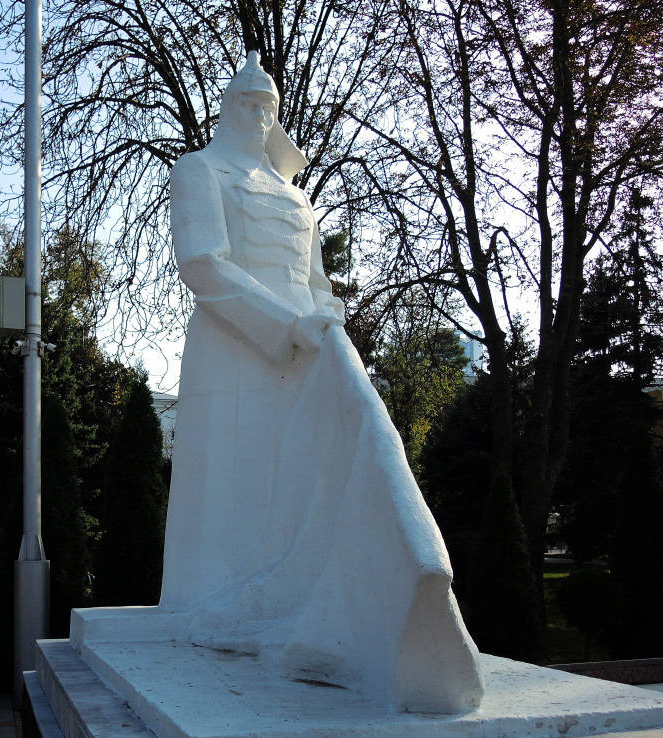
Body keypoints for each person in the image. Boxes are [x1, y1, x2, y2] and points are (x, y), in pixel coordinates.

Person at [159, 51, 483, 713]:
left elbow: (315, 280)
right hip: (234, 348)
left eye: (269, 106)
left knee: (301, 479)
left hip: (305, 352)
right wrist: (287, 324)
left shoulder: (294, 194)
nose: (260, 115)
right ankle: (216, 610)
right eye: (249, 103)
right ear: (227, 107)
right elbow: (203, 263)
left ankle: (295, 603)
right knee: (233, 484)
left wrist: (324, 317)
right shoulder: (199, 170)